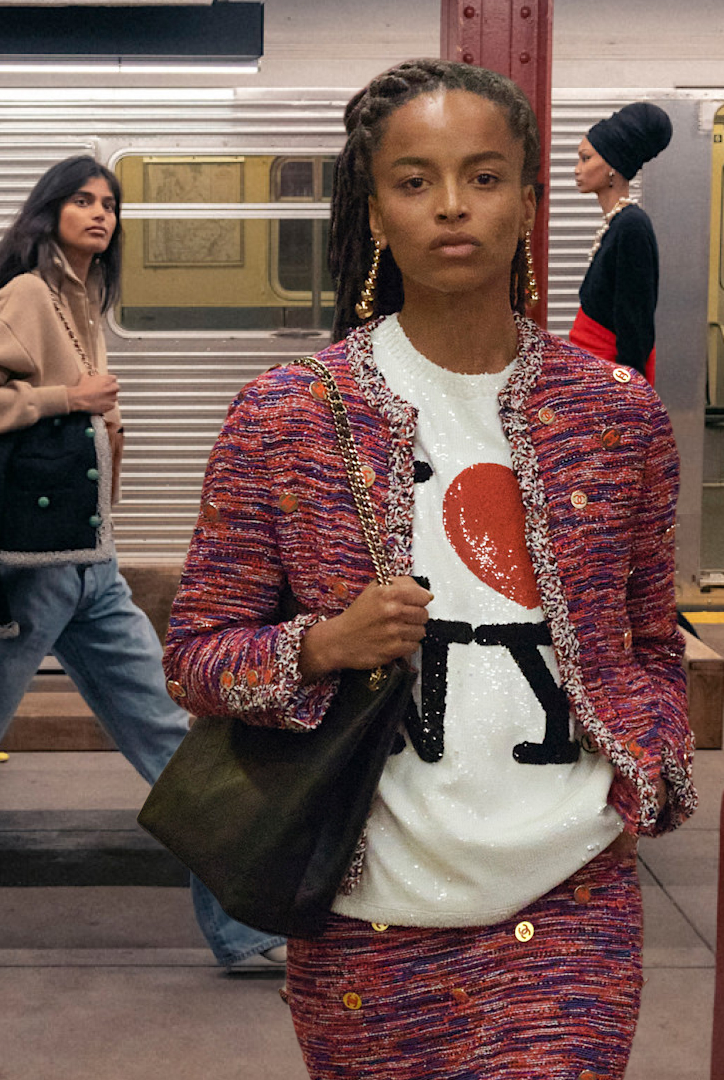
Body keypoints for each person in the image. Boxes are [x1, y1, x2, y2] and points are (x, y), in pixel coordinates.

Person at [162, 60, 696, 1078]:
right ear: (377, 210)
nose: (452, 205)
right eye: (414, 180)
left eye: (485, 176)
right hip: (367, 921)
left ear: (532, 202)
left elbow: (653, 646)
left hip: (570, 905)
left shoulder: (616, 417)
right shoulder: (286, 417)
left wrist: (649, 782)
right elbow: (196, 659)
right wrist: (321, 646)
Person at [0, 155, 285, 983]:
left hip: (91, 569)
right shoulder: (28, 296)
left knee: (175, 744)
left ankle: (245, 932)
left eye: (109, 204)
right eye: (83, 200)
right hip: (31, 570)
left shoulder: (82, 299)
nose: (100, 214)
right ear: (50, 212)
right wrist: (62, 402)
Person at [571, 102, 672, 385]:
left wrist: (627, 393)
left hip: (608, 379)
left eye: (586, 158)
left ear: (612, 167)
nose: (577, 169)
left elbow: (634, 321)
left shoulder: (631, 226)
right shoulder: (619, 224)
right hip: (594, 370)